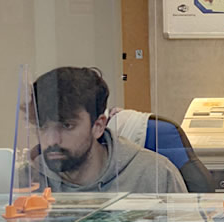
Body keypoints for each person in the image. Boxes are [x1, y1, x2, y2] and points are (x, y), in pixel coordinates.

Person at [32, 67, 187, 194]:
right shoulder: (28, 181)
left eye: (67, 126)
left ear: (98, 126)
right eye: (43, 127)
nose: (52, 140)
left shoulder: (156, 175)